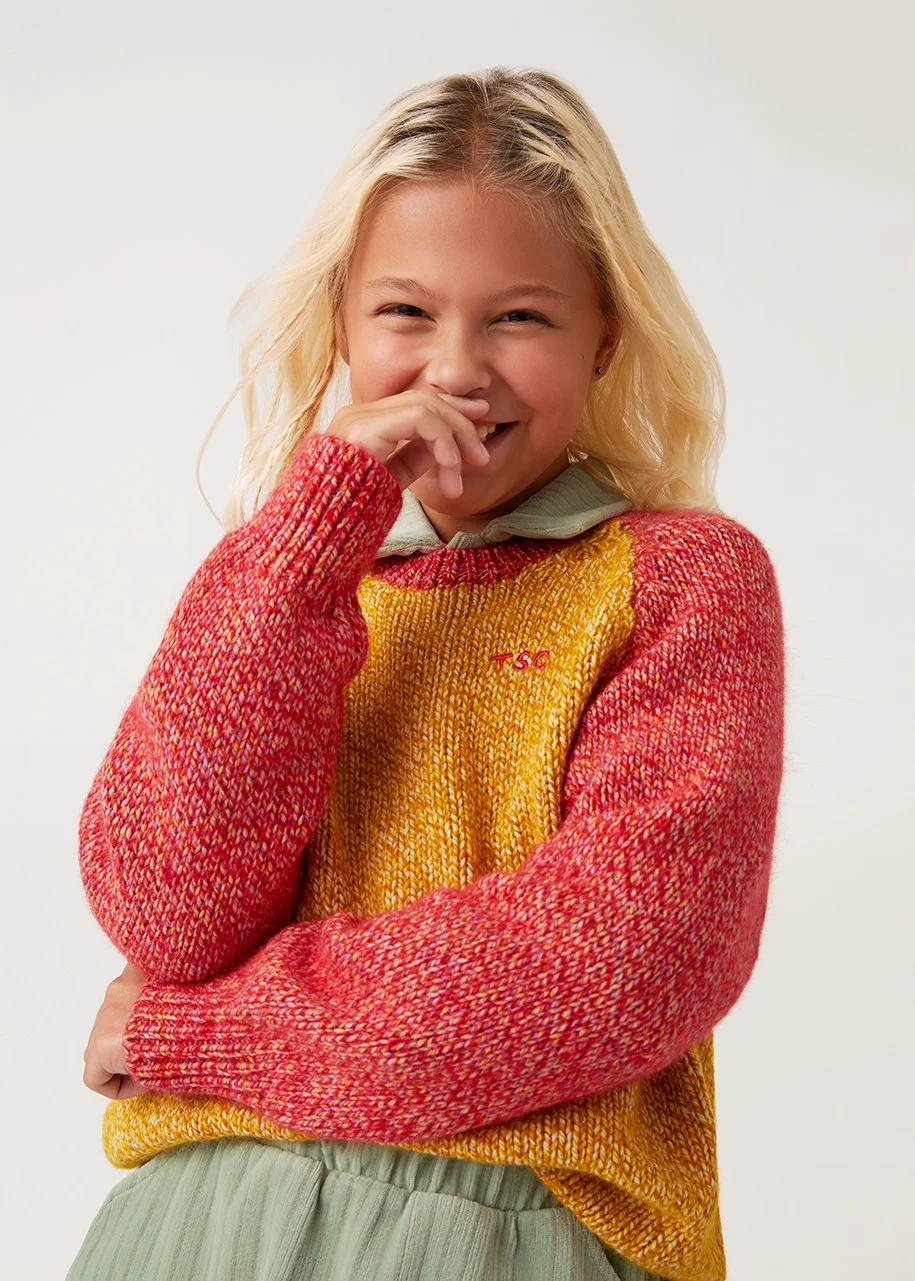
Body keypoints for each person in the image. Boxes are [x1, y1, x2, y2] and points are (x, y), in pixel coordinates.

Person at [67, 65, 786, 1281]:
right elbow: (164, 906)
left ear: (606, 333)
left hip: (512, 1236)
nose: (458, 369)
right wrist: (314, 536)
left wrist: (192, 1031)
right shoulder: (277, 577)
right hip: (202, 1232)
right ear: (340, 326)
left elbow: (618, 961)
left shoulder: (681, 580)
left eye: (520, 317)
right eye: (405, 313)